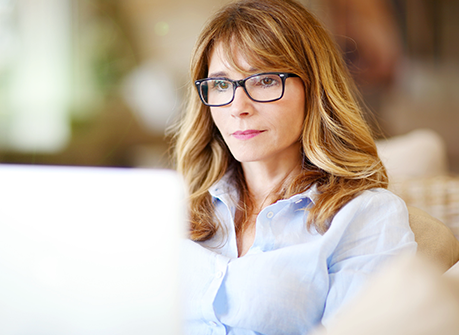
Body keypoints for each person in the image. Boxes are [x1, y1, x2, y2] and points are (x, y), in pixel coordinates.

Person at [171, 0, 417, 334]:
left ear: (313, 88)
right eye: (221, 84)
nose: (238, 107)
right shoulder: (177, 209)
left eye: (265, 80)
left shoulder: (365, 216)